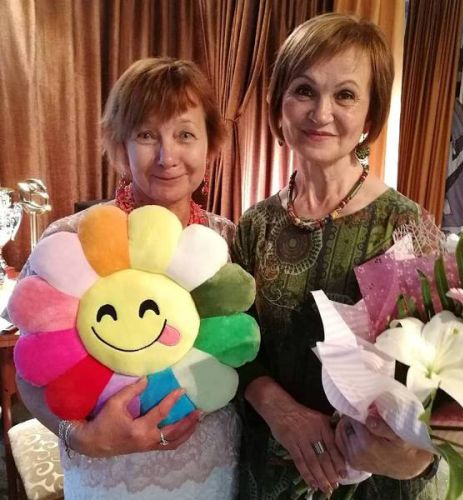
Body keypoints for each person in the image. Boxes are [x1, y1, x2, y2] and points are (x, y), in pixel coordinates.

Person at [232, 13, 439, 500]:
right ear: (279, 105)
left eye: (345, 95)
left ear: (370, 115)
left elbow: (433, 383)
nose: (321, 113)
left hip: (370, 482)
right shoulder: (255, 225)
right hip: (269, 474)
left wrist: (409, 456)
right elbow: (235, 347)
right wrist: (282, 411)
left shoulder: (403, 226)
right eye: (304, 90)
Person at [15, 57, 240, 499]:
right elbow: (30, 368)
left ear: (210, 145)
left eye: (185, 135)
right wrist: (81, 437)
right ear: (121, 145)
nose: (167, 156)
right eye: (146, 135)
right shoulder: (73, 240)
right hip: (108, 476)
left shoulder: (228, 241)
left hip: (211, 470)